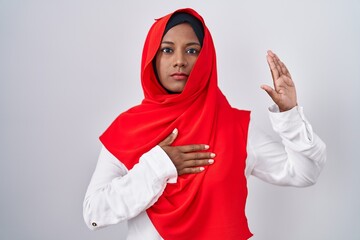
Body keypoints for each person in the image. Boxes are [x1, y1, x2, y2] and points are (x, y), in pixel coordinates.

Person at [83, 8, 326, 240]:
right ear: (151, 58)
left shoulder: (236, 128)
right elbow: (94, 213)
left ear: (206, 57)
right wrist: (158, 165)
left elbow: (305, 174)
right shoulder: (128, 128)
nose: (179, 61)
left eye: (192, 51)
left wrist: (289, 113)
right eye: (167, 50)